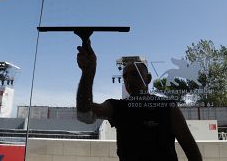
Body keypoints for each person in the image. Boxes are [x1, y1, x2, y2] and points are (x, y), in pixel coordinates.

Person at [75, 32, 202, 161]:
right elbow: (84, 114)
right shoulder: (117, 107)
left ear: (148, 78)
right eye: (125, 76)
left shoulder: (168, 108)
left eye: (135, 74)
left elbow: (192, 152)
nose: (128, 80)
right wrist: (88, 72)